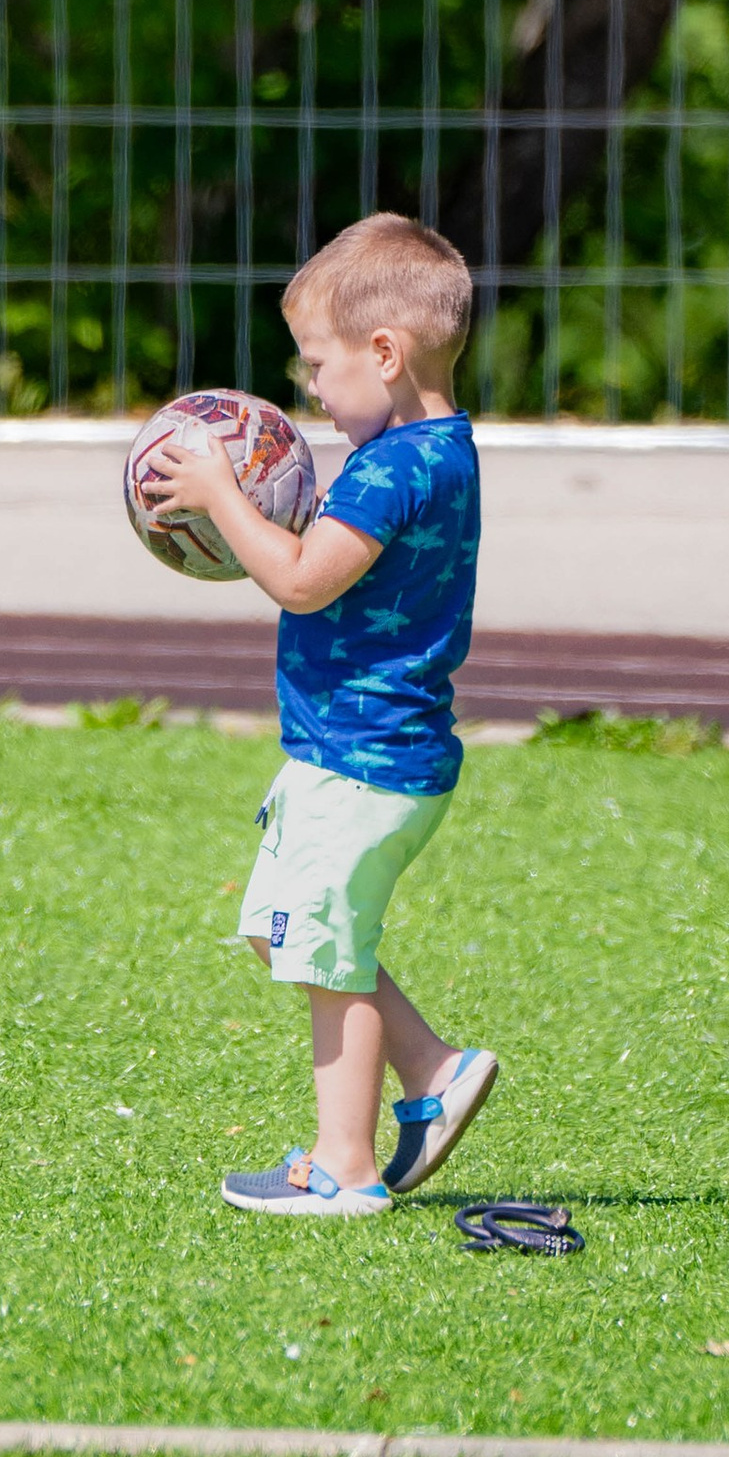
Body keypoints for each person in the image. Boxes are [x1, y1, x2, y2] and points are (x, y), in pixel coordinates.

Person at [138, 213, 496, 1221]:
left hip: (363, 760)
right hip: (359, 752)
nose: (308, 393)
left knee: (324, 950)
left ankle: (344, 1166)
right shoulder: (439, 451)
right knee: (282, 931)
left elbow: (298, 581)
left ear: (383, 353)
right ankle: (431, 1070)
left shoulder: (391, 468)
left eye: (315, 367)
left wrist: (218, 493)